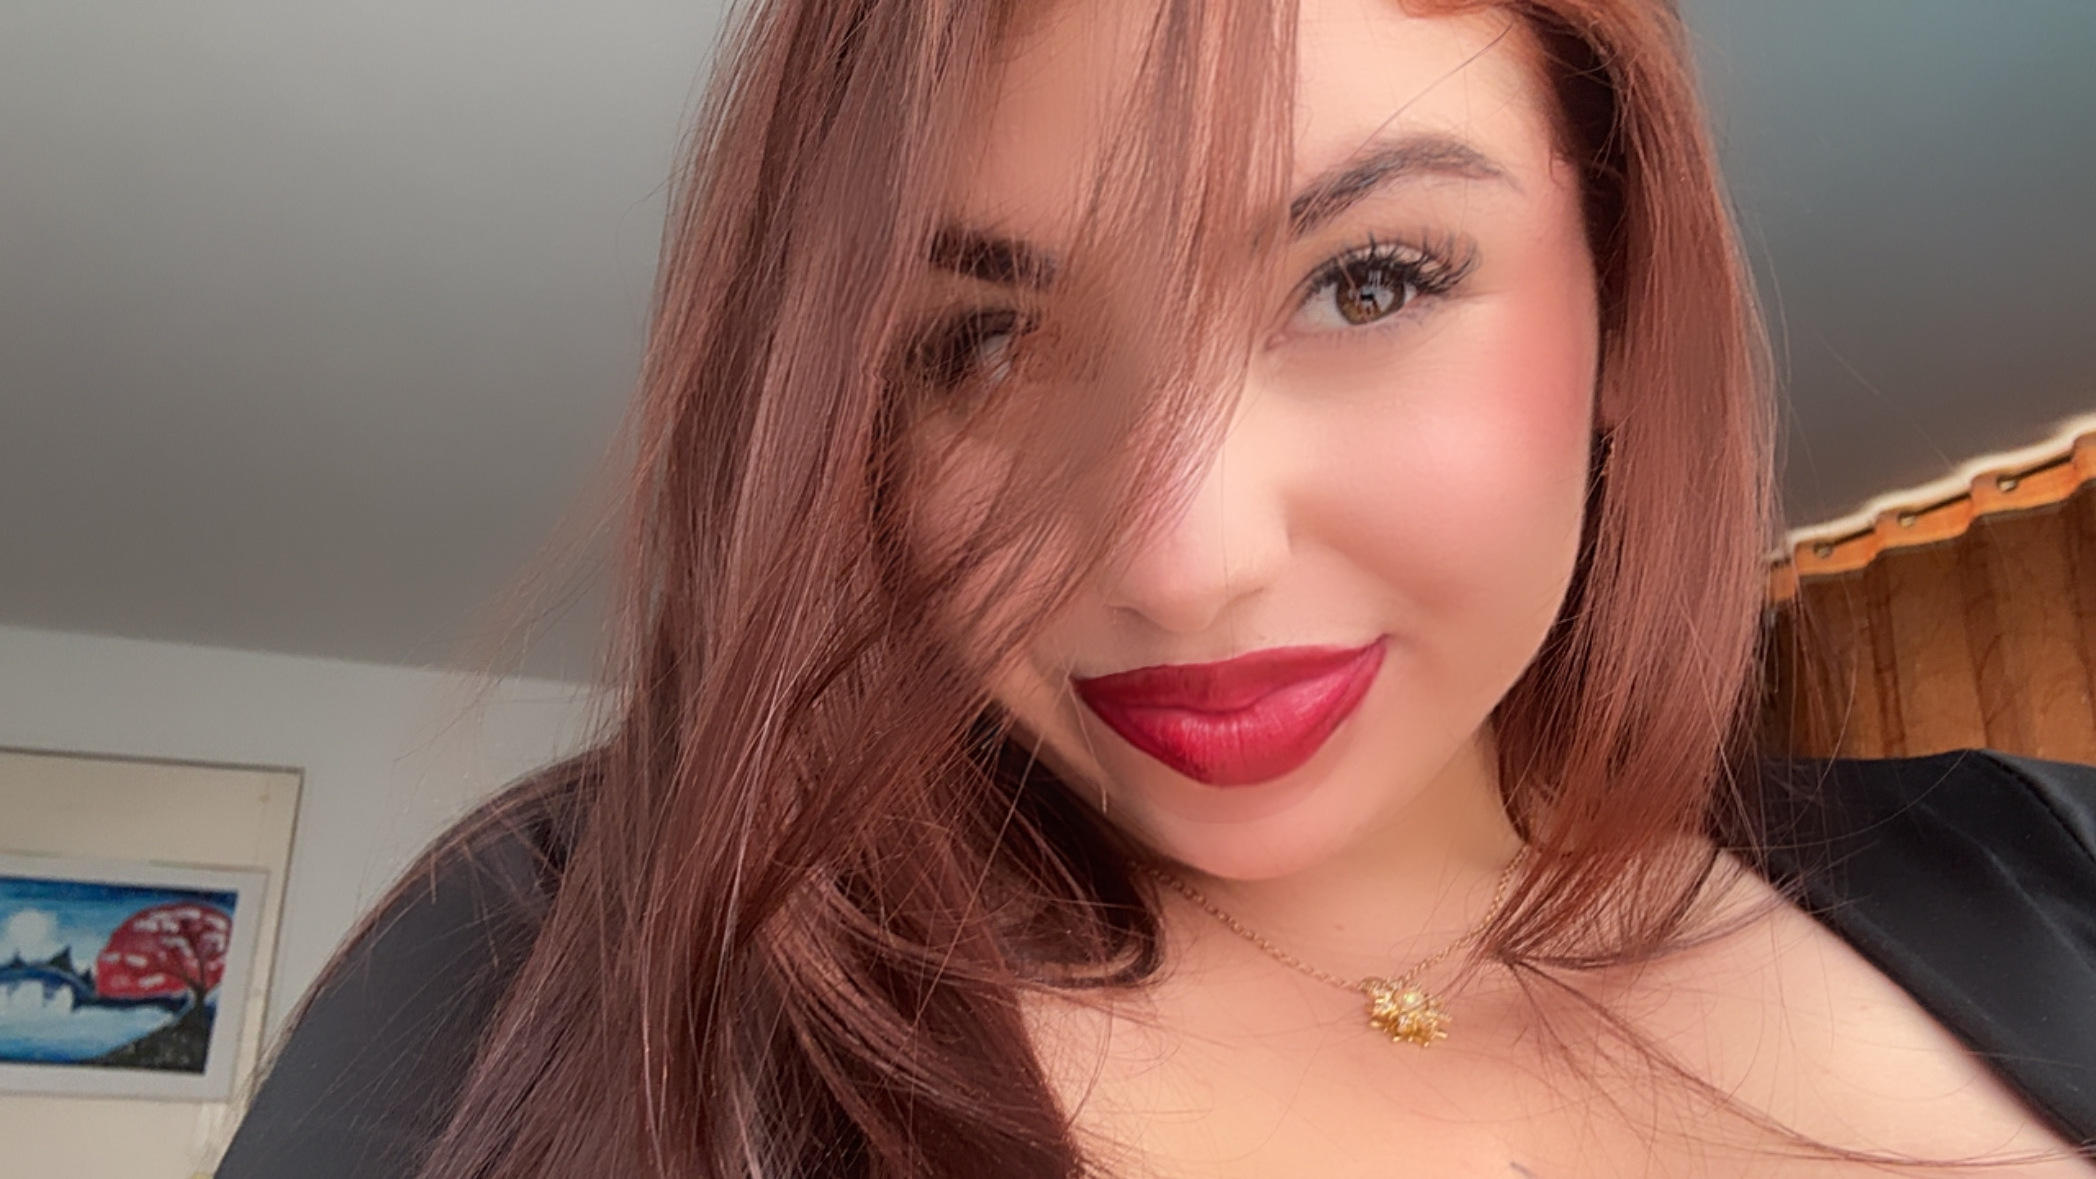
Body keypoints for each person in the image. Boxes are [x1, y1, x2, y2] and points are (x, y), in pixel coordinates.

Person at [214, 0, 2096, 1175]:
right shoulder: (588, 964)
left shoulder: (2047, 871)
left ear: (1626, 295)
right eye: (987, 344)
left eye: (1367, 281)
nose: (1180, 564)